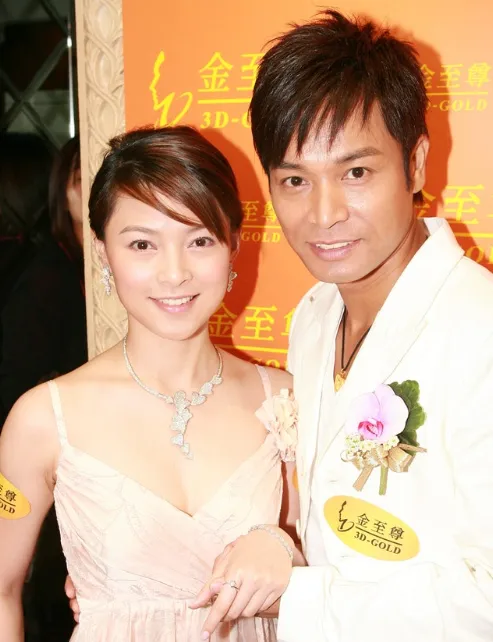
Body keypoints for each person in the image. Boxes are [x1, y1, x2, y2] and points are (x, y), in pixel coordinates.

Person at [192, 9, 493, 642]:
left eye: (356, 173)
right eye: (294, 180)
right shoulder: (314, 316)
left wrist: (298, 599)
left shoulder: (479, 330)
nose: (324, 213)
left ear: (416, 164)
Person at [0, 126, 301, 642]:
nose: (174, 273)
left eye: (199, 241)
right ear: (102, 252)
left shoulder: (286, 399)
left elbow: (336, 571)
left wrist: (287, 555)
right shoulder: (43, 419)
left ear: (233, 244)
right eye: (142, 244)